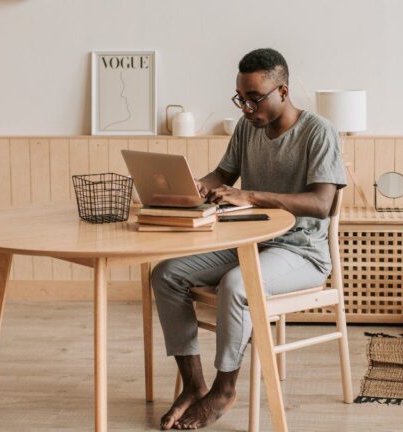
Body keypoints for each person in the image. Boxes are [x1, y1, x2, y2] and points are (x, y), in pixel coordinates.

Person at [151, 47, 346, 430]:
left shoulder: (318, 132)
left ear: (283, 92)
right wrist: (192, 188)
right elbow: (222, 176)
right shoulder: (247, 128)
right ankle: (194, 385)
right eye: (241, 98)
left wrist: (252, 195)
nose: (246, 108)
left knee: (237, 284)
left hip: (301, 253)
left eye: (255, 99)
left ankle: (225, 389)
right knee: (166, 273)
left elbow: (322, 204)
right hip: (250, 244)